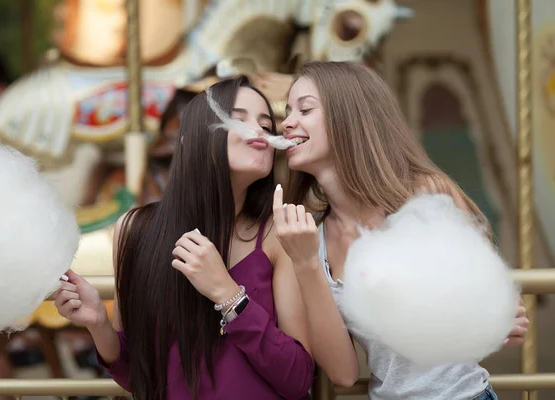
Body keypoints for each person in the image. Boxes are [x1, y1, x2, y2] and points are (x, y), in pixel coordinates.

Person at [272, 61, 529, 400]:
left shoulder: (427, 195)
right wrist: (306, 264)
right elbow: (343, 373)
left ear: (348, 117)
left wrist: (497, 316)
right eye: (288, 111)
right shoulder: (309, 240)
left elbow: (501, 312)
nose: (287, 122)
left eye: (304, 109)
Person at [53, 76, 314, 400]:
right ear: (190, 138)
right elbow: (139, 374)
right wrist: (98, 323)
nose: (259, 130)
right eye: (238, 118)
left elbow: (298, 377)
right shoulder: (135, 230)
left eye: (265, 124)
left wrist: (228, 293)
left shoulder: (276, 235)